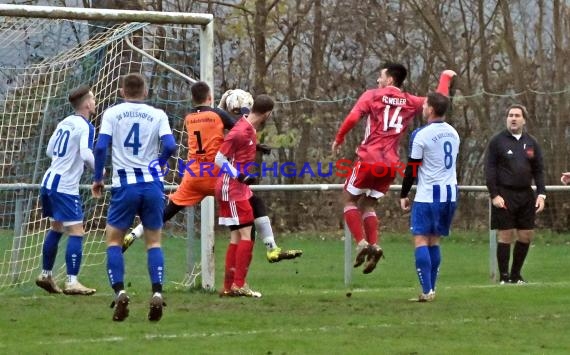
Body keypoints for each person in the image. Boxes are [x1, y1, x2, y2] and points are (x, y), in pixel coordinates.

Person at [121, 83, 302, 263]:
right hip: (216, 174)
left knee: (169, 210)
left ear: (194, 99)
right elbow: (242, 128)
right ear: (209, 97)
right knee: (253, 206)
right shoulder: (218, 114)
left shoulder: (189, 118)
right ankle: (270, 249)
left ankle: (134, 234)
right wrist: (243, 112)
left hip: (193, 175)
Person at [332, 62, 456, 274]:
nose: (378, 81)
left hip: (369, 158)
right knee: (369, 205)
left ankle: (362, 242)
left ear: (390, 79)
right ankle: (374, 244)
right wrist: (445, 78)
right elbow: (439, 101)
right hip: (390, 164)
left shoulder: (372, 95)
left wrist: (339, 138)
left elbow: (353, 117)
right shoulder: (409, 101)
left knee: (348, 199)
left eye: (380, 77)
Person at [92, 73, 177, 322]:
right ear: (146, 91)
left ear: (122, 91)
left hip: (124, 185)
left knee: (114, 242)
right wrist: (159, 164)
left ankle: (119, 291)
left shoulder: (112, 113)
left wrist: (98, 178)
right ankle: (158, 293)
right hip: (152, 186)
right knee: (153, 243)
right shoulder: (158, 114)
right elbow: (171, 146)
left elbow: (100, 147)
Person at [35, 85, 98, 296]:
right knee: (77, 231)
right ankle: (72, 282)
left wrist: (65, 161)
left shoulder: (65, 122)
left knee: (56, 227)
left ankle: (46, 274)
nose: (95, 102)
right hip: (65, 187)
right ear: (87, 104)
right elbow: (86, 154)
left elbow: (49, 150)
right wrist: (99, 172)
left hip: (49, 181)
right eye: (93, 99)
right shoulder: (85, 126)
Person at [400, 92, 460, 302]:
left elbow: (412, 168)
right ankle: (432, 288)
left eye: (425, 104)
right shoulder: (453, 133)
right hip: (450, 193)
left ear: (431, 110)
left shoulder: (421, 135)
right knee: (435, 241)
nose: (422, 107)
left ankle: (426, 291)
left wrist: (404, 193)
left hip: (428, 195)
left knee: (421, 239)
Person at [214, 94, 275, 297]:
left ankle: (228, 287)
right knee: (247, 234)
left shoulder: (248, 126)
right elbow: (219, 158)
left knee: (236, 236)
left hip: (237, 189)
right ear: (267, 113)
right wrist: (239, 175)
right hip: (231, 188)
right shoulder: (240, 131)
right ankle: (238, 284)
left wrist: (257, 147)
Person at [485, 104, 546, 284]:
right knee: (505, 235)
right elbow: (489, 169)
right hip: (504, 194)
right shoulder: (497, 142)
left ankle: (516, 275)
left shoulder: (531, 143)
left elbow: (539, 170)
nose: (513, 118)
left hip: (526, 195)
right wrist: (494, 194)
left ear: (524, 120)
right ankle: (503, 277)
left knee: (526, 234)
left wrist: (541, 194)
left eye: (517, 115)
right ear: (507, 119)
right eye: (510, 115)